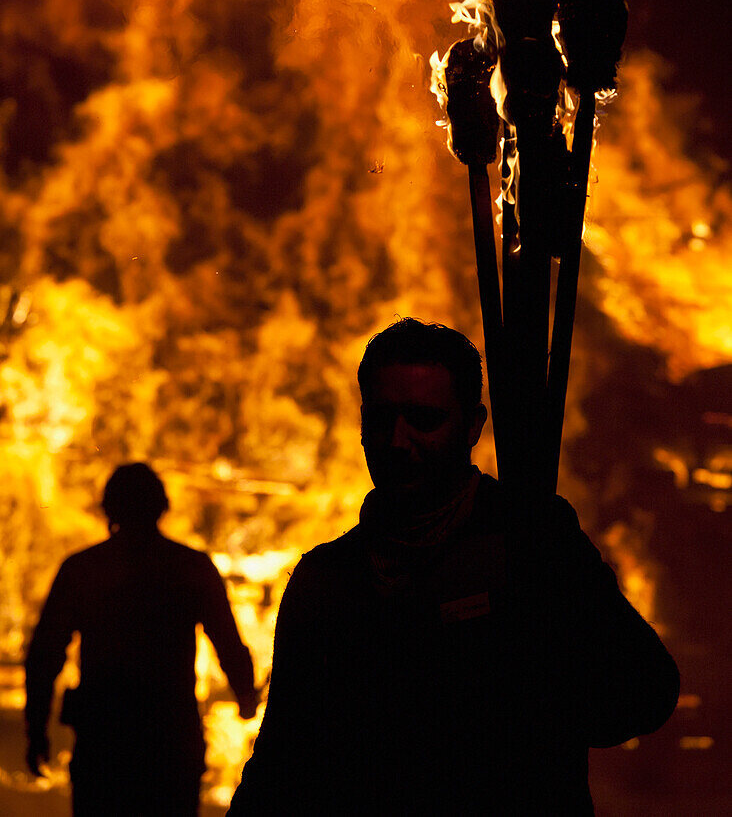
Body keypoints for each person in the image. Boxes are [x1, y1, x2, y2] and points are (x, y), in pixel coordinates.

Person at [228, 318, 679, 815]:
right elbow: (281, 763)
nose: (398, 441)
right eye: (382, 418)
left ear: (472, 427)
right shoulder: (327, 580)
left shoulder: (534, 543)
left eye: (424, 420)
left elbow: (647, 692)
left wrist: (530, 687)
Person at [25, 462, 257, 816]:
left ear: (108, 508)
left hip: (103, 744)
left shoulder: (83, 569)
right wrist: (245, 697)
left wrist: (36, 729)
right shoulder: (191, 567)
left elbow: (45, 654)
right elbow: (228, 643)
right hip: (171, 741)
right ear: (162, 507)